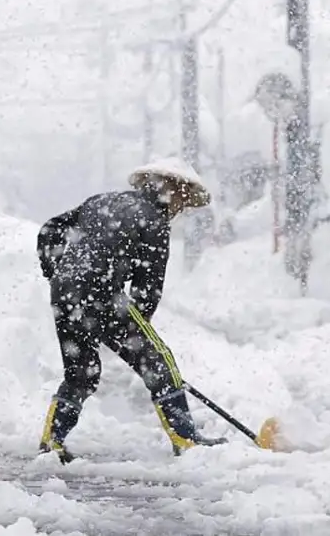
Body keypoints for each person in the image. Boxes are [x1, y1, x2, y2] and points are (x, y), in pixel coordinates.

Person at [36, 158, 227, 463]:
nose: (180, 208)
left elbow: (50, 230)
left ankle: (52, 440)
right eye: (182, 199)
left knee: (81, 373)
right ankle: (186, 438)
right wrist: (137, 337)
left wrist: (58, 274)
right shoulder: (154, 220)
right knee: (161, 362)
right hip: (103, 295)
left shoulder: (101, 201)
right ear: (173, 189)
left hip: (64, 294)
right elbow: (147, 290)